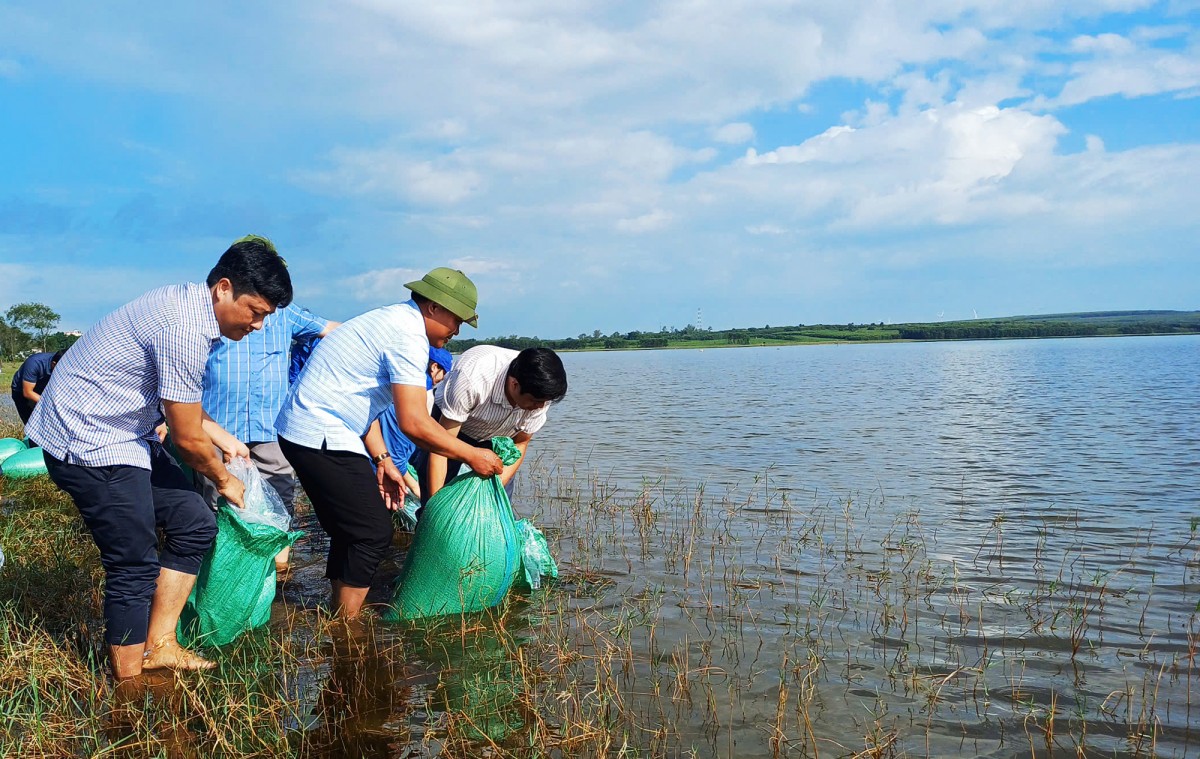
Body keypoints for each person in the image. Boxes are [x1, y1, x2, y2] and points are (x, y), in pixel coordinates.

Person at [25, 237, 292, 681]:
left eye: (266, 316)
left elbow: (181, 401)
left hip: (126, 432)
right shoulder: (183, 327)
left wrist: (223, 438)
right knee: (133, 563)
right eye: (255, 312)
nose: (258, 325)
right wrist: (225, 480)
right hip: (90, 440)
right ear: (224, 288)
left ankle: (161, 644)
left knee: (194, 522)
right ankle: (129, 685)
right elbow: (186, 439)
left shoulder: (191, 308)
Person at [275, 267, 503, 619]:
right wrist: (473, 454)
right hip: (318, 432)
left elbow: (362, 405)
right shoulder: (408, 336)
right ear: (433, 307)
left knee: (352, 529)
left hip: (313, 430)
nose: (456, 330)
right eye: (456, 320)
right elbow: (414, 423)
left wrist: (383, 459)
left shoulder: (394, 321)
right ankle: (347, 624)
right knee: (372, 532)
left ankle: (340, 613)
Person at [198, 265, 339, 574]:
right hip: (217, 424)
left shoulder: (286, 315)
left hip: (270, 425)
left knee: (280, 497)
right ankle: (225, 573)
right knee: (218, 501)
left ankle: (278, 574)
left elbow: (332, 330)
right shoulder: (213, 315)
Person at [414, 346, 567, 504]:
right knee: (436, 494)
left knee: (496, 504)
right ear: (514, 384)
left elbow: (521, 442)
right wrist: (435, 508)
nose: (540, 407)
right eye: (535, 401)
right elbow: (441, 448)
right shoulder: (472, 379)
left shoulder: (541, 393)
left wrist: (493, 490)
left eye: (544, 402)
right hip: (454, 426)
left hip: (499, 437)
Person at [10, 348, 68, 424]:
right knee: (32, 421)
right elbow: (28, 393)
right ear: (54, 364)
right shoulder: (34, 363)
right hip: (22, 391)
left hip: (41, 386)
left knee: (49, 420)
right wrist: (51, 404)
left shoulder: (64, 364)